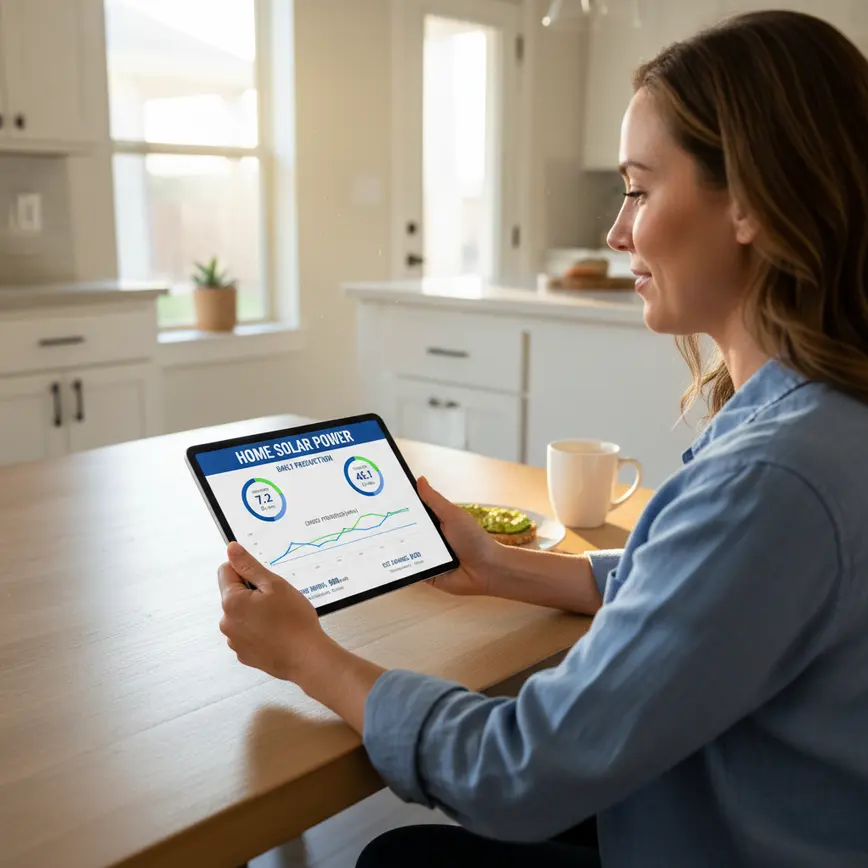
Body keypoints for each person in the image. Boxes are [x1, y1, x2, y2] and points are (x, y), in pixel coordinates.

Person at [216, 10, 868, 868]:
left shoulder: (773, 479)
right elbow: (705, 592)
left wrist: (307, 656)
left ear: (752, 201)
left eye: (640, 189)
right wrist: (501, 567)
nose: (617, 232)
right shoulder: (827, 418)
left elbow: (518, 772)